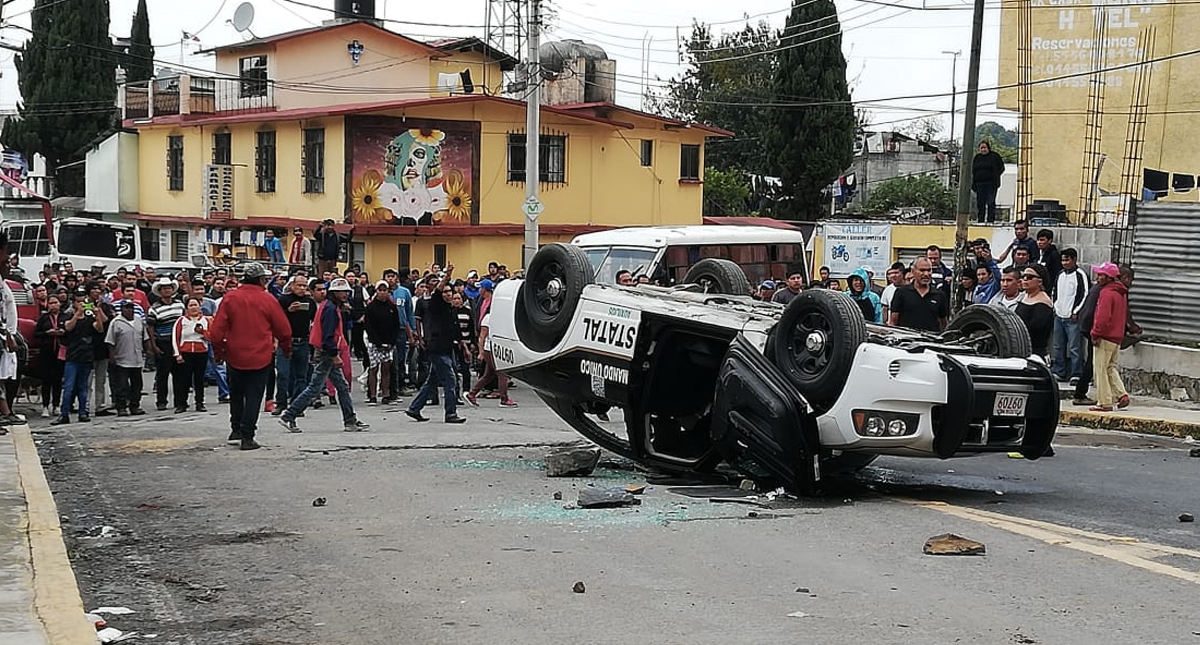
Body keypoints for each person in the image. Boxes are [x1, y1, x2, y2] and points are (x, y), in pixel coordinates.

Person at [211, 263, 293, 450]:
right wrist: (287, 350)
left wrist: (219, 353)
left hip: (234, 354)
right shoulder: (268, 299)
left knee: (237, 394)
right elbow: (284, 330)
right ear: (261, 280)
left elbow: (216, 332)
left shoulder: (230, 298)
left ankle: (235, 429)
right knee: (254, 396)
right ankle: (248, 436)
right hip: (261, 355)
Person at [277, 278, 369, 433]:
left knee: (342, 386)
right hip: (327, 353)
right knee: (314, 387)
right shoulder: (331, 309)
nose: (345, 294)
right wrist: (334, 355)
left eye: (346, 291)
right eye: (341, 291)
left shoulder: (331, 307)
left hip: (327, 351)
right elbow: (328, 335)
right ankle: (289, 415)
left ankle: (350, 419)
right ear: (334, 293)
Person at [405, 266, 468, 423]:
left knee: (432, 380)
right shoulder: (435, 303)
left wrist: (464, 346)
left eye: (450, 292)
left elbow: (456, 330)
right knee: (450, 380)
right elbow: (438, 292)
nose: (447, 294)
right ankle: (451, 413)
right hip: (436, 346)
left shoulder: (451, 308)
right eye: (445, 292)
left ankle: (414, 408)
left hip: (447, 348)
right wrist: (446, 277)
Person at [52, 288, 106, 425]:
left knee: (83, 387)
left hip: (86, 356)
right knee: (69, 387)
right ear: (74, 303)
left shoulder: (90, 318)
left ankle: (83, 412)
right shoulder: (68, 316)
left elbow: (99, 328)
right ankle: (64, 414)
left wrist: (97, 313)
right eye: (78, 302)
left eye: (83, 302)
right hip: (72, 357)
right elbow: (68, 328)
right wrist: (78, 314)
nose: (82, 304)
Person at [466, 286, 517, 409]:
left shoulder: (500, 318)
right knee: (502, 373)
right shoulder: (488, 318)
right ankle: (504, 399)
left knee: (488, 375)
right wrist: (481, 352)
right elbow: (482, 337)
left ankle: (472, 393)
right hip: (490, 349)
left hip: (496, 348)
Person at [1088, 262, 1130, 413]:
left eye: (1101, 275)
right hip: (1116, 336)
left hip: (1105, 336)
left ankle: (1104, 402)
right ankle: (1121, 394)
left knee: (1100, 369)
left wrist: (1095, 333)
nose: (1098, 278)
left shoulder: (1106, 293)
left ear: (1109, 277)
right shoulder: (1120, 293)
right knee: (1110, 367)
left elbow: (1102, 317)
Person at [272, 276, 316, 414]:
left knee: (301, 376)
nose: (302, 288)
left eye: (304, 286)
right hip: (286, 341)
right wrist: (288, 311)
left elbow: (315, 321)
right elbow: (276, 319)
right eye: (299, 285)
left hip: (303, 341)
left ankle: (297, 405)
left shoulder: (310, 302)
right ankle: (280, 403)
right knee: (283, 374)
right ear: (292, 286)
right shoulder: (284, 300)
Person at [105, 300, 151, 416]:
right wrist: (112, 357)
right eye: (126, 308)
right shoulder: (116, 322)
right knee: (121, 385)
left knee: (137, 384)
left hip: (137, 358)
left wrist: (149, 351)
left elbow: (145, 337)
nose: (129, 310)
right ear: (122, 309)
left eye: (131, 307)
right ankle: (121, 407)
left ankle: (135, 406)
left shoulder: (138, 320)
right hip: (122, 358)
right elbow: (110, 341)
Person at [1051, 248, 1088, 384]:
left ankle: (1076, 373)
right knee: (1058, 346)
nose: (1064, 263)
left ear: (1074, 260)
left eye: (1067, 260)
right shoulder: (1060, 274)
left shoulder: (1080, 275)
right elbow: (1054, 292)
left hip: (1072, 318)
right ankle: (1059, 371)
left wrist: (1076, 311)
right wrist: (1055, 307)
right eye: (1063, 260)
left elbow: (1084, 294)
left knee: (1074, 347)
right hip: (1059, 316)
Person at [146, 279, 184, 411]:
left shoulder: (180, 305)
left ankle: (180, 402)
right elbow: (150, 327)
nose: (167, 290)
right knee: (163, 374)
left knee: (179, 374)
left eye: (169, 288)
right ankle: (161, 401)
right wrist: (153, 345)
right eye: (164, 288)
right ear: (160, 291)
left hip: (178, 343)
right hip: (163, 343)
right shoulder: (154, 308)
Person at [172, 296, 211, 413]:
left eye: (196, 305)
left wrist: (202, 332)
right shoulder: (181, 320)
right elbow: (175, 337)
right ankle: (182, 404)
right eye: (191, 305)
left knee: (199, 380)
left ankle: (200, 403)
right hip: (186, 353)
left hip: (201, 353)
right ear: (186, 308)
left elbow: (211, 336)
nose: (194, 308)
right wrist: (177, 354)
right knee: (184, 380)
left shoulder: (206, 320)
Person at [887, 258, 947, 332]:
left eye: (929, 270)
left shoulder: (939, 295)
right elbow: (893, 322)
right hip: (907, 340)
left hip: (931, 341)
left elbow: (943, 323)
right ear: (913, 271)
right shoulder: (901, 293)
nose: (926, 274)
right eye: (922, 270)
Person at [363, 281, 399, 404]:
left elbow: (396, 325)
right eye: (380, 290)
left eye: (385, 290)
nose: (383, 293)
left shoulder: (392, 307)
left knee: (386, 369)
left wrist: (391, 342)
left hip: (388, 343)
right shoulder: (371, 307)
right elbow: (369, 326)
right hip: (374, 343)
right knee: (373, 368)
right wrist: (377, 342)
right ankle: (372, 395)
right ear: (376, 291)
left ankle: (386, 395)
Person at [35, 295, 67, 418]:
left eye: (55, 302)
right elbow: (36, 334)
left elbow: (70, 331)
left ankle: (56, 405)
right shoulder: (43, 318)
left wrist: (62, 333)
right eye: (51, 303)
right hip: (46, 353)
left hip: (61, 352)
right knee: (46, 381)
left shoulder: (65, 317)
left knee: (58, 381)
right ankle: (45, 406)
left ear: (59, 304)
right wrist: (46, 333)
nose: (53, 305)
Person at [1015, 264, 1054, 359]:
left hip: (1035, 353)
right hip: (1020, 349)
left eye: (1029, 277)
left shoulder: (1043, 302)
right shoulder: (1025, 297)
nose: (1024, 279)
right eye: (1023, 276)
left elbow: (1036, 328)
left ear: (1040, 281)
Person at [972, 140, 1005, 223]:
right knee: (980, 203)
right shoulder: (977, 158)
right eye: (981, 148)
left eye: (985, 147)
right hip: (979, 184)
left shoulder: (995, 156)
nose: (983, 150)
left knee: (991, 202)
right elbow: (973, 171)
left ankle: (991, 220)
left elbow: (1001, 168)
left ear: (988, 148)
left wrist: (995, 176)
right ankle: (980, 220)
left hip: (991, 184)